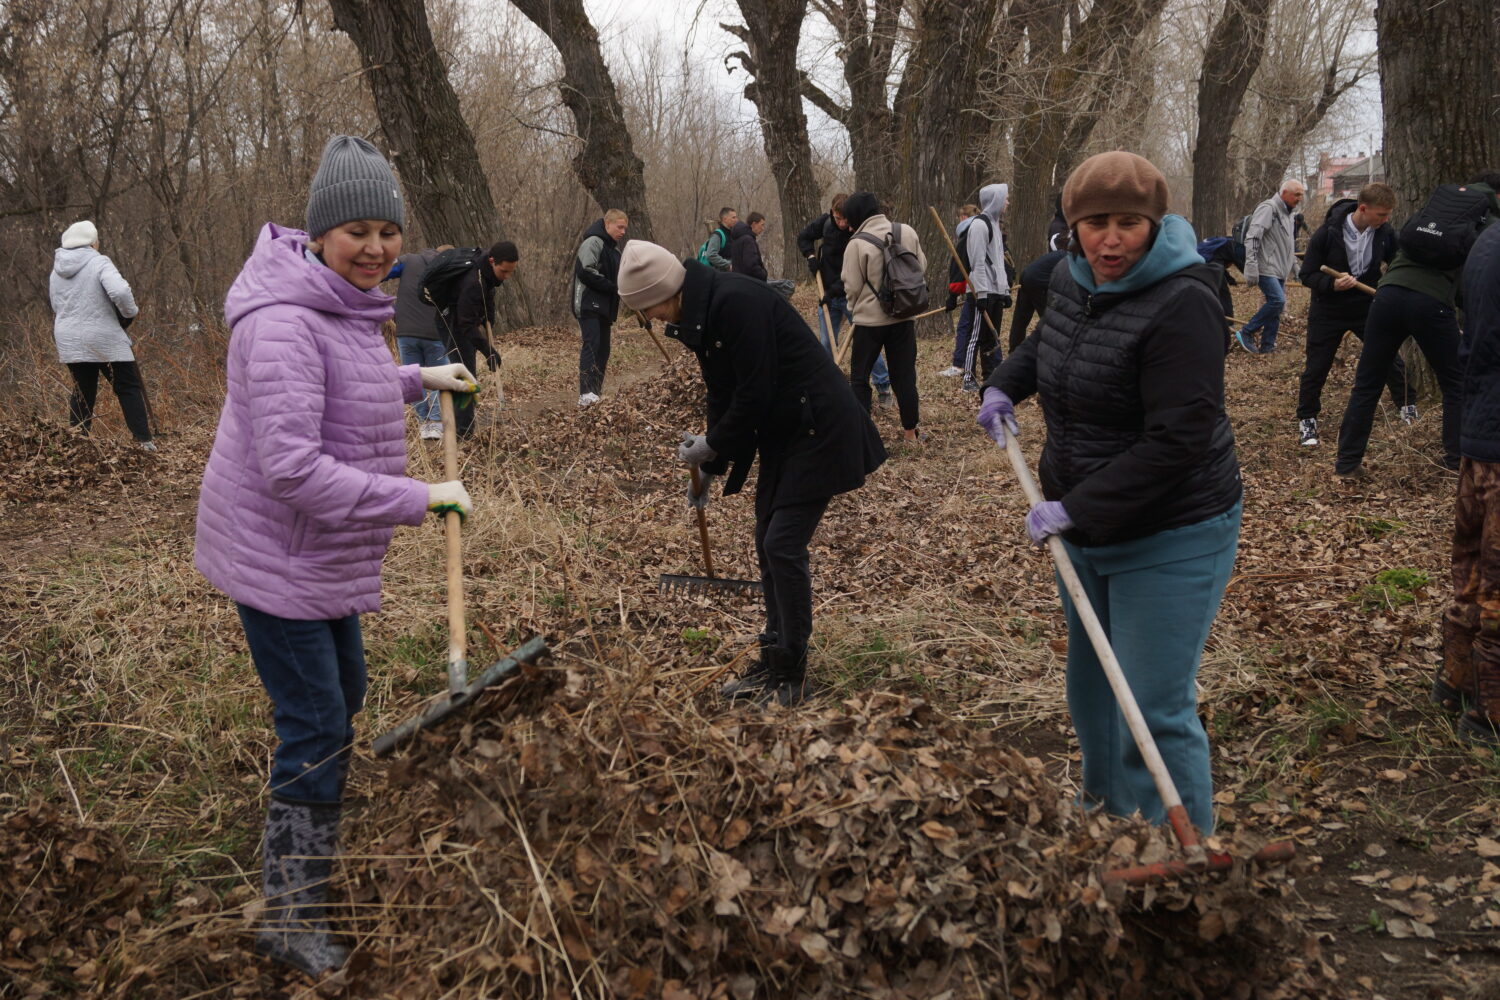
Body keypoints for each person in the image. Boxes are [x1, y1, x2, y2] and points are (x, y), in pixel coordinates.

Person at [193, 135, 479, 977]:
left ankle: (307, 835)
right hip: (277, 557)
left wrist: (420, 381)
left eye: (388, 231)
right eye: (357, 230)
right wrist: (419, 501)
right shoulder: (283, 323)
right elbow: (290, 469)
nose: (378, 249)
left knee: (341, 697)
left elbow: (345, 383)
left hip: (317, 557)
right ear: (318, 233)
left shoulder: (337, 302)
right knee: (317, 725)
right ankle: (288, 910)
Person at [977, 151, 1241, 833]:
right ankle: (1106, 816)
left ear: (1155, 224)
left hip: (1170, 531)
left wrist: (1076, 506)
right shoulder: (1072, 278)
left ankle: (1180, 857)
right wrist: (1007, 380)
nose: (1111, 239)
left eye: (1129, 223)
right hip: (1084, 524)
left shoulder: (1185, 301)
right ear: (1074, 227)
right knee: (1093, 687)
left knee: (1153, 703)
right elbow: (1051, 343)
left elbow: (1180, 438)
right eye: (1096, 224)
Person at [617, 241, 885, 706]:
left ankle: (791, 674)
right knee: (767, 540)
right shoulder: (701, 313)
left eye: (648, 309)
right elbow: (724, 392)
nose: (653, 320)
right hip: (787, 430)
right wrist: (711, 465)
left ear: (664, 291)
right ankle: (773, 659)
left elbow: (755, 391)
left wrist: (714, 444)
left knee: (782, 543)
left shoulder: (736, 301)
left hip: (820, 426)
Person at [1335, 172, 1500, 477]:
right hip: (1430, 304)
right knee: (1456, 383)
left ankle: (1346, 464)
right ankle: (1454, 462)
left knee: (1367, 384)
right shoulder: (1488, 224)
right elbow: (1479, 277)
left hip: (1386, 296)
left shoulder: (1439, 208)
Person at [1437, 222, 1500, 745]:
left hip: (1480, 431)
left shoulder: (1487, 241)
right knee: (1491, 579)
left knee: (1474, 571)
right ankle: (1488, 713)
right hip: (1492, 437)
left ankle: (1453, 680)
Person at [1295, 183, 1411, 448]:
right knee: (1317, 366)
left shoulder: (1384, 232)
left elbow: (1397, 262)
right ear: (1363, 208)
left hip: (1367, 304)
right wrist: (1332, 285)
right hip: (1329, 309)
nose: (1386, 219)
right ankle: (1307, 419)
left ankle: (1407, 406)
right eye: (1381, 214)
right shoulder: (1326, 233)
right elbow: (1307, 274)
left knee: (1389, 357)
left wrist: (1389, 286)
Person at [48, 220, 156, 451]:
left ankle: (77, 446)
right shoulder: (99, 262)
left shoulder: (57, 270)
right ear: (92, 242)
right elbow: (119, 291)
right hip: (104, 337)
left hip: (69, 338)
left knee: (82, 392)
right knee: (127, 386)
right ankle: (144, 442)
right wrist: (130, 314)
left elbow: (56, 305)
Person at [842, 191, 927, 442]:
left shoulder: (857, 243)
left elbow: (852, 286)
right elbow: (920, 266)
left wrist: (855, 308)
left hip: (869, 322)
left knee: (859, 377)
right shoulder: (907, 232)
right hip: (903, 318)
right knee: (904, 377)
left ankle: (862, 435)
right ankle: (910, 434)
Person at [797, 194, 893, 404]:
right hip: (827, 297)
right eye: (837, 218)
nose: (841, 224)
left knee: (867, 346)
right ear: (832, 212)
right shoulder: (824, 223)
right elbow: (803, 238)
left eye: (844, 219)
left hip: (854, 296)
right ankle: (826, 387)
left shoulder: (857, 233)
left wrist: (834, 291)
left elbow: (855, 273)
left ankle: (884, 387)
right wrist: (810, 256)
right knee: (825, 343)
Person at [446, 241, 517, 435]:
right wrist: (488, 351)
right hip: (451, 322)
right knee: (464, 375)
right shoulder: (473, 282)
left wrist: (489, 317)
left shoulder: (486, 271)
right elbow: (466, 325)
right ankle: (462, 433)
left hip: (465, 318)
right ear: (493, 261)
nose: (507, 276)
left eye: (511, 272)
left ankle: (465, 426)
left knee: (468, 374)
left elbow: (489, 292)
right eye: (504, 271)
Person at [389, 244, 454, 440]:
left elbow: (380, 272)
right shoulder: (450, 269)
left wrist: (387, 305)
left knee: (412, 378)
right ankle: (434, 423)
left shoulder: (409, 260)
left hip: (406, 332)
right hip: (435, 333)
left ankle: (423, 422)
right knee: (436, 377)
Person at [1235, 179, 1304, 353]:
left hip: (1280, 269)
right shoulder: (1268, 208)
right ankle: (1246, 332)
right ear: (1284, 193)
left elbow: (1288, 246)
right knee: (1277, 300)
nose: (1299, 198)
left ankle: (1268, 346)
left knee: (1277, 306)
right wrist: (1251, 266)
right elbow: (1253, 237)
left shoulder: (1289, 215)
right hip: (1265, 266)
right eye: (1297, 194)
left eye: (1301, 195)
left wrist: (1295, 268)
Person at [572, 210, 626, 407]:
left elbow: (620, 279)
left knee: (604, 349)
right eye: (619, 227)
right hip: (587, 303)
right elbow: (585, 271)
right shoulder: (593, 242)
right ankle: (585, 394)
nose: (623, 231)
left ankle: (595, 393)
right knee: (592, 344)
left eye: (625, 228)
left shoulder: (615, 251)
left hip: (605, 307)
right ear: (607, 224)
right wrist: (612, 287)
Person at [964, 183, 1012, 387]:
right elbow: (977, 263)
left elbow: (998, 262)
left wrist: (1005, 290)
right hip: (981, 292)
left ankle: (989, 376)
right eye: (1005, 198)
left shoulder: (995, 225)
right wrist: (981, 294)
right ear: (995, 200)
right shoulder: (979, 225)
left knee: (991, 337)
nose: (1007, 202)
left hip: (995, 292)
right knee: (976, 336)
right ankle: (968, 377)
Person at [940, 204, 980, 377]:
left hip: (978, 289)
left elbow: (959, 266)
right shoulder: (983, 230)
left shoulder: (968, 236)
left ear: (963, 217)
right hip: (986, 287)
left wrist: (953, 295)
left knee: (965, 326)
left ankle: (959, 365)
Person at [1007, 238, 1067, 351]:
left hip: (1027, 274)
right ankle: (1052, 349)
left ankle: (1014, 349)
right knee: (1050, 319)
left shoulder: (1062, 254)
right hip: (1038, 281)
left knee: (1021, 318)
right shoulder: (1071, 258)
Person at [700, 207, 737, 272]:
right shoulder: (718, 235)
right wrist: (728, 265)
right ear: (725, 219)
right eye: (733, 218)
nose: (736, 220)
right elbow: (711, 255)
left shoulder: (731, 234)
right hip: (719, 277)